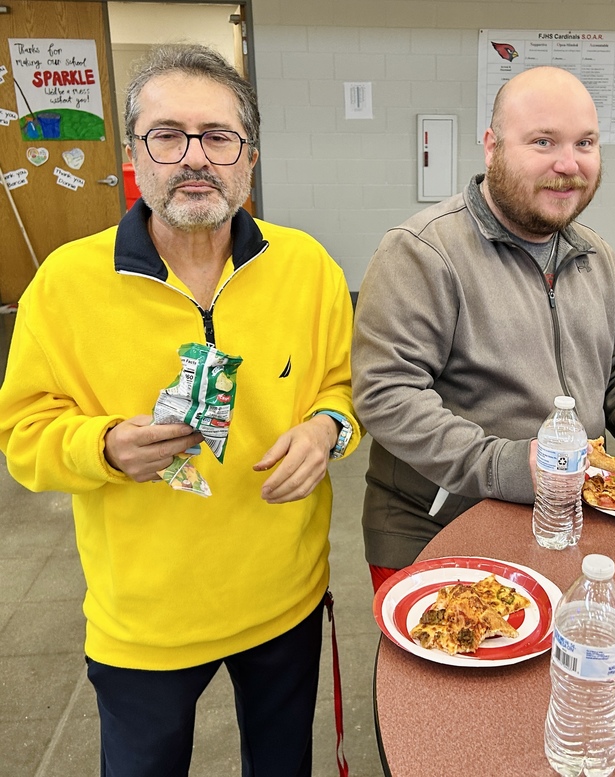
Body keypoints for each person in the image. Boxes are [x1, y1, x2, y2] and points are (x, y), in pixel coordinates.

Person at [0, 44, 360, 776]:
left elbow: (342, 395)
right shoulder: (65, 284)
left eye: (219, 136)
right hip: (144, 622)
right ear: (135, 153)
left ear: (249, 158)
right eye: (168, 135)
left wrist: (327, 430)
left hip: (283, 600)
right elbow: (23, 437)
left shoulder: (309, 268)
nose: (195, 157)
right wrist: (98, 447)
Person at [352, 66, 615, 588]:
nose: (568, 164)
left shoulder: (595, 254)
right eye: (543, 141)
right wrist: (511, 467)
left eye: (585, 142)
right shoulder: (423, 252)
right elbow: (387, 394)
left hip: (561, 517)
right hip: (438, 531)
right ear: (492, 147)